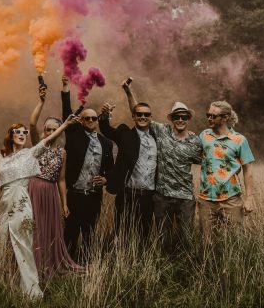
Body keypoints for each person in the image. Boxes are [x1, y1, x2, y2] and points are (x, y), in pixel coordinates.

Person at [108, 78, 201, 251]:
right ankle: (160, 262)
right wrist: (128, 91)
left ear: (188, 118)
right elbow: (139, 113)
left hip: (185, 196)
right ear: (172, 119)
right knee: (162, 239)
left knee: (186, 238)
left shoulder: (196, 141)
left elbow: (208, 161)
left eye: (184, 117)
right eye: (177, 116)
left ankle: (185, 263)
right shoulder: (161, 131)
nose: (180, 119)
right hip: (162, 196)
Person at [0, 114, 77, 299]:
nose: (22, 134)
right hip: (10, 200)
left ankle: (32, 285)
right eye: (17, 132)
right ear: (10, 135)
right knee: (6, 240)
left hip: (28, 199)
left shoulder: (33, 152)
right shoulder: (5, 156)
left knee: (28, 241)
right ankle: (7, 279)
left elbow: (61, 176)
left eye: (24, 132)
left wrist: (65, 124)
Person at [28, 83, 80, 281]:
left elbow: (62, 179)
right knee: (34, 227)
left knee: (49, 229)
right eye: (48, 129)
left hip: (50, 192)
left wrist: (64, 203)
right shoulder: (38, 146)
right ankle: (32, 265)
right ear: (44, 131)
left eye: (54, 129)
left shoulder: (62, 152)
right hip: (34, 189)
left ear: (60, 131)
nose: (50, 132)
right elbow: (32, 124)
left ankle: (48, 264)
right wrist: (41, 101)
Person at [61, 76, 114, 263]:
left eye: (93, 118)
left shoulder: (106, 143)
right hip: (74, 195)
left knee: (89, 232)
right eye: (87, 118)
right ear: (81, 121)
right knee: (70, 232)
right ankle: (67, 265)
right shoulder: (74, 134)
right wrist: (65, 87)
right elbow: (66, 111)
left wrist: (106, 179)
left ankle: (87, 266)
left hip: (93, 197)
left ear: (97, 121)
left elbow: (111, 169)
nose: (91, 120)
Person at [98, 79, 158, 242]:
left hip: (149, 197)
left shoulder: (157, 137)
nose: (143, 117)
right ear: (133, 116)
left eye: (146, 115)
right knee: (122, 233)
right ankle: (120, 255)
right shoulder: (125, 133)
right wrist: (104, 116)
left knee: (144, 234)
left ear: (151, 117)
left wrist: (128, 91)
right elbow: (106, 130)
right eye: (139, 114)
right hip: (128, 194)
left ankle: (139, 257)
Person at [198, 101, 255, 240]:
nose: (209, 118)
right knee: (206, 243)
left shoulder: (239, 140)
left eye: (213, 116)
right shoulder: (204, 136)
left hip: (231, 199)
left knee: (235, 241)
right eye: (208, 115)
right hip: (206, 199)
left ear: (225, 118)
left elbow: (248, 169)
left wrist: (249, 198)